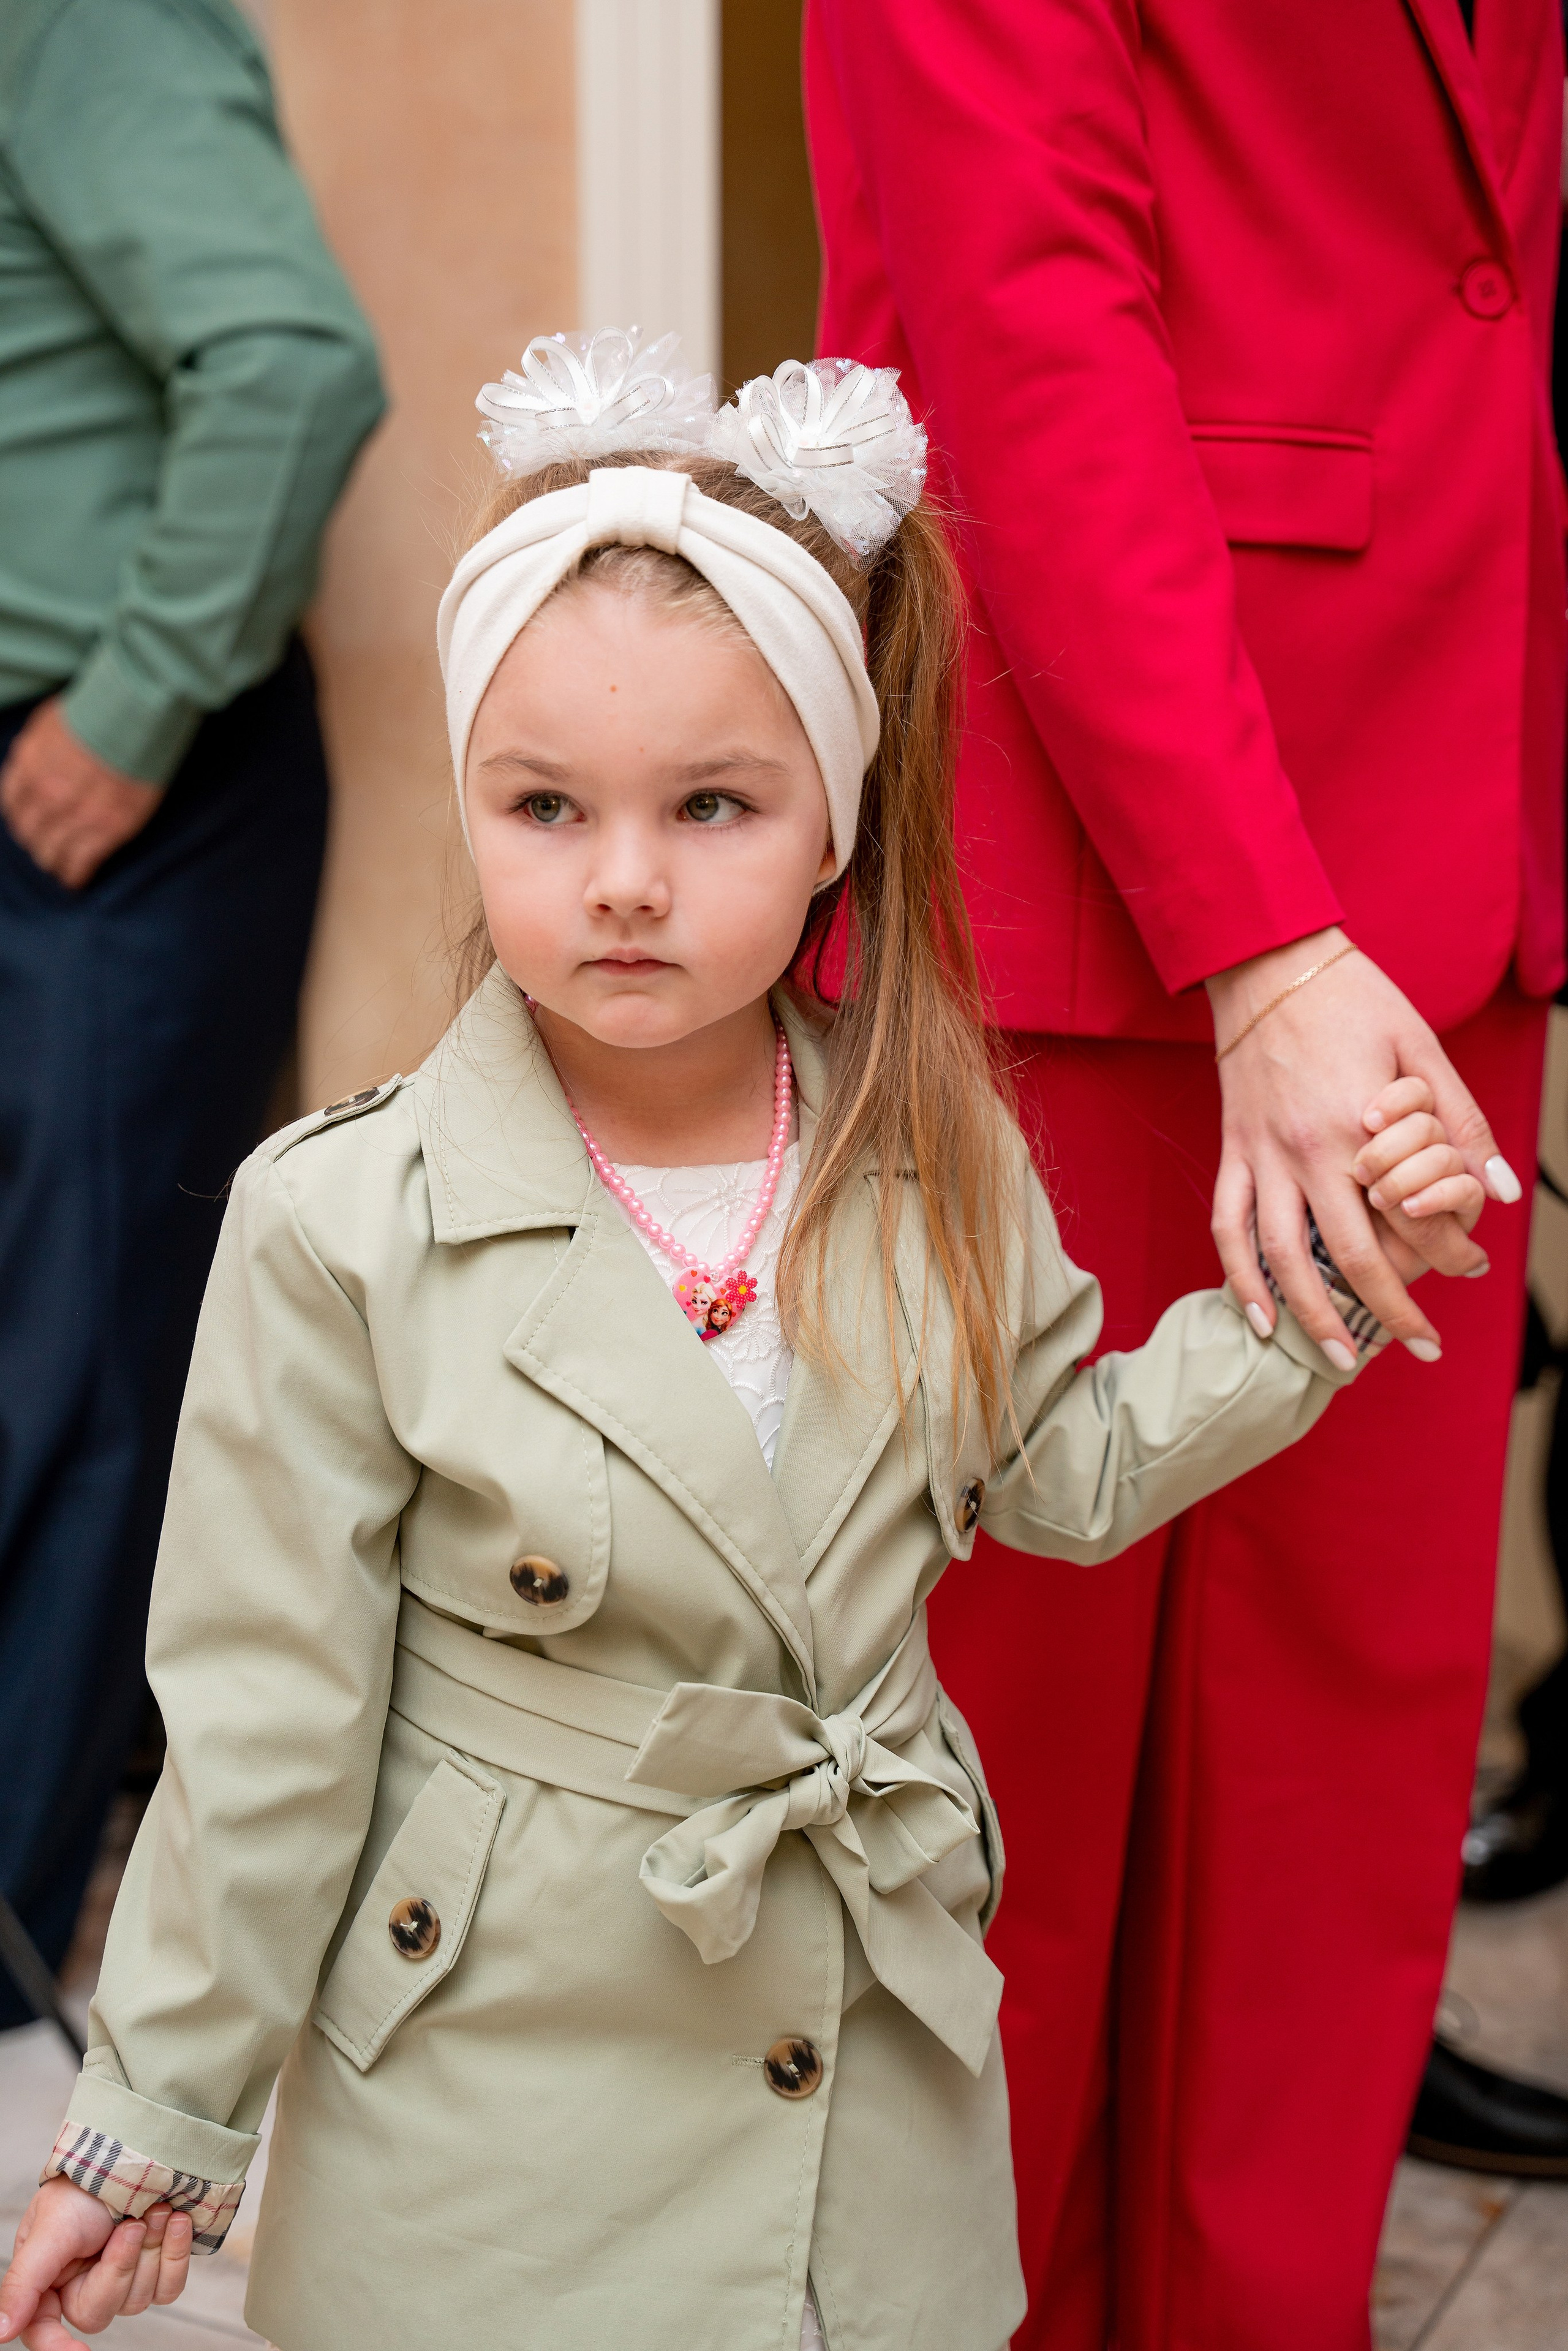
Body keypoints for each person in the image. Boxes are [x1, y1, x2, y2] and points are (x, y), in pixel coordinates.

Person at [0, 336, 1469, 2351]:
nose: (624, 881)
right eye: (545, 806)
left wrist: (1330, 1283)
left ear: (833, 826)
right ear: (472, 809)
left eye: (712, 806)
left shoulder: (931, 1153)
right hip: (490, 2100)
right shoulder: (341, 1221)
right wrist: (150, 2132)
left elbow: (1068, 1469)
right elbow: (265, 1731)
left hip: (855, 2040)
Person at [803, 2, 1565, 2343]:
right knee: (993, 1838)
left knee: (1332, 1829)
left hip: (1450, 864)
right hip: (1100, 891)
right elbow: (1022, 324)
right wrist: (1259, 938)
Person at [0, 0, 384, 2027]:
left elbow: (295, 365)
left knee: (76, 1374)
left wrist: (135, 699)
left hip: (100, 798)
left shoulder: (73, 22)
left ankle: (5, 1952)